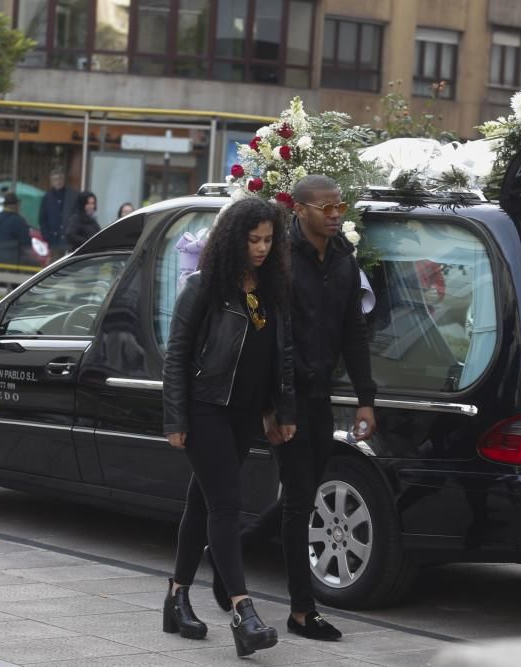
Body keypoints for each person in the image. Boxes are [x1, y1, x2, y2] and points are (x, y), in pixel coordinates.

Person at [219, 174, 377, 641]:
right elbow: (266, 339)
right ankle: (301, 611)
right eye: (324, 206)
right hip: (284, 396)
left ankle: (233, 548)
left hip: (320, 396)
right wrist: (271, 408)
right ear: (300, 210)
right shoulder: (280, 261)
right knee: (300, 498)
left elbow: (354, 334)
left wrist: (366, 398)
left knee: (302, 494)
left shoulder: (345, 262)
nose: (334, 213)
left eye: (339, 206)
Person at [162, 197, 295, 657]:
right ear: (232, 240)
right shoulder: (202, 287)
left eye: (268, 239)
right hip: (205, 408)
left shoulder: (272, 288)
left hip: (244, 413)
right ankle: (244, 612)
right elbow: (177, 356)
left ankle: (176, 596)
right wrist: (176, 419)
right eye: (253, 239)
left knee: (201, 504)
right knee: (225, 504)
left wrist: (282, 410)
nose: (261, 248)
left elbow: (281, 358)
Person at [39, 167, 78, 260]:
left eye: (60, 179)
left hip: (70, 240)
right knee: (55, 266)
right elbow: (42, 219)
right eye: (55, 180)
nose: (58, 182)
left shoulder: (73, 195)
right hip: (54, 240)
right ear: (51, 182)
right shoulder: (47, 197)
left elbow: (77, 214)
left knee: (70, 264)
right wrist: (47, 236)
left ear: (64, 180)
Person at [0, 191, 34, 266]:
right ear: (15, 205)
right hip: (12, 260)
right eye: (18, 205)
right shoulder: (19, 220)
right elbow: (26, 246)